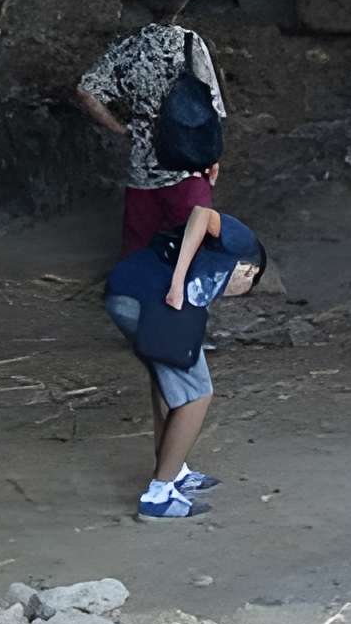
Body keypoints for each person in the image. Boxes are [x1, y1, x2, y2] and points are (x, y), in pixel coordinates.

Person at [102, 202, 265, 521]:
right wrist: (177, 283)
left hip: (126, 292)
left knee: (167, 385)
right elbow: (201, 213)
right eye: (245, 288)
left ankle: (175, 473)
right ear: (249, 271)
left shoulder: (206, 265)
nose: (233, 294)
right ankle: (159, 495)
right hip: (150, 298)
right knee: (197, 394)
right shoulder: (245, 244)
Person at [72, 0, 225, 255]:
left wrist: (120, 128)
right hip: (187, 165)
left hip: (142, 170)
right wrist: (213, 157)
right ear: (182, 3)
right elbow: (212, 104)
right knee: (192, 251)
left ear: (144, 2)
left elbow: (85, 90)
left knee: (138, 252)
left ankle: (137, 293)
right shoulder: (191, 44)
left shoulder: (130, 47)